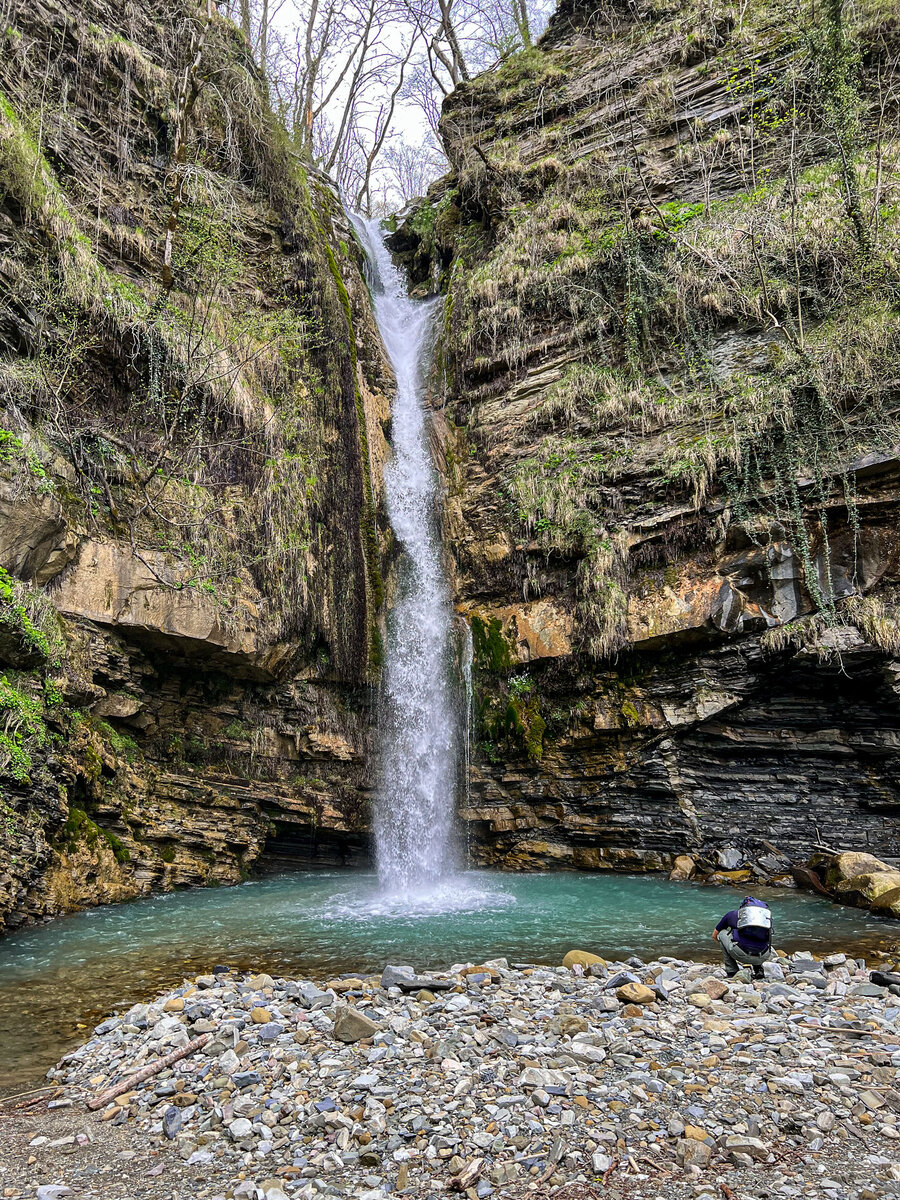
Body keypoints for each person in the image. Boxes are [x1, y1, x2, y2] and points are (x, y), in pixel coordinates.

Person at [713, 895, 773, 980]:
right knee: (756, 939)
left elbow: (715, 935)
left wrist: (726, 943)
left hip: (741, 954)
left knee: (722, 934)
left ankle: (732, 971)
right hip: (763, 956)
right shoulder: (767, 919)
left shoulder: (733, 914)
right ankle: (758, 970)